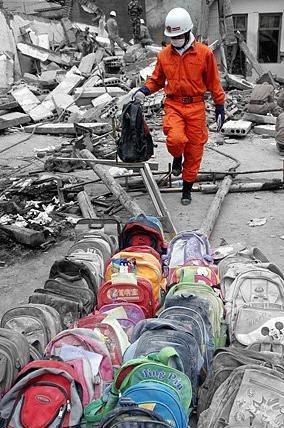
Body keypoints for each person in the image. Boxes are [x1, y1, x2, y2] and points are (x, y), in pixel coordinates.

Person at [133, 7, 225, 205]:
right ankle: (177, 157)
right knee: (175, 139)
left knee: (194, 150)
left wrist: (220, 105)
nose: (174, 40)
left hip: (196, 107)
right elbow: (156, 80)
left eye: (177, 36)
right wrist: (143, 90)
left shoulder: (204, 53)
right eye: (171, 36)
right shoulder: (164, 56)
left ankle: (186, 189)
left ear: (186, 32)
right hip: (174, 105)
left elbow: (214, 82)